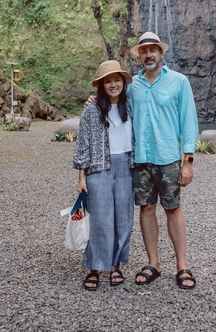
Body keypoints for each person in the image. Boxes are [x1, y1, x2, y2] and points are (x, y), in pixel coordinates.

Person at [127, 32, 199, 290]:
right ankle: (153, 263)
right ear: (139, 55)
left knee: (173, 209)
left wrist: (188, 160)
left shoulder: (179, 82)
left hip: (168, 158)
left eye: (152, 50)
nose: (148, 55)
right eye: (143, 51)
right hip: (141, 160)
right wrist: (94, 101)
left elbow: (189, 122)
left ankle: (182, 265)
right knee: (146, 209)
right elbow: (116, 109)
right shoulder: (132, 86)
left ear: (161, 53)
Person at [72, 60, 135, 291]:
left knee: (124, 219)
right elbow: (83, 145)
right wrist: (81, 177)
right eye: (108, 81)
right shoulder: (91, 110)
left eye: (116, 80)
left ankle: (116, 265)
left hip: (126, 168)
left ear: (123, 82)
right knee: (100, 220)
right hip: (98, 168)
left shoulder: (130, 106)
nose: (113, 84)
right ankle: (96, 268)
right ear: (101, 85)